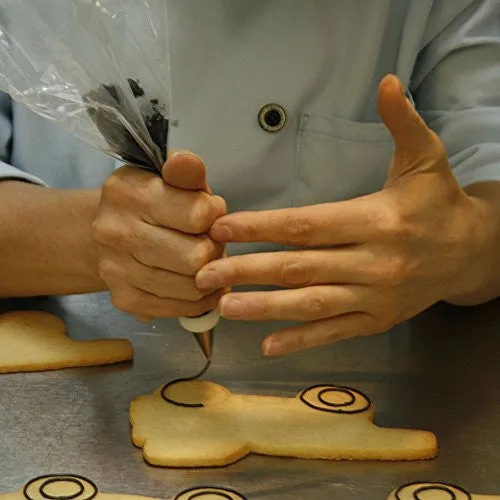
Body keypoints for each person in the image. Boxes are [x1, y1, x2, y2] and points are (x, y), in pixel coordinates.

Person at [0, 1, 499, 357]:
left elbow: (488, 160)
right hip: (59, 372)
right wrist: (88, 241)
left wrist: (464, 242)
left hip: (384, 372)